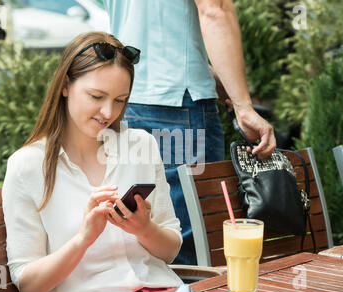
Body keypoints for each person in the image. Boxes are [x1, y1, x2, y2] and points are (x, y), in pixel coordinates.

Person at [2, 32, 184, 292]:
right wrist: (83, 239)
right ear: (65, 85)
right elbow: (29, 285)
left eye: (120, 100)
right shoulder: (27, 166)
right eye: (97, 96)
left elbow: (170, 250)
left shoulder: (141, 146)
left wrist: (143, 229)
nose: (109, 113)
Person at [104, 0, 277, 265]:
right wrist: (243, 106)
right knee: (191, 244)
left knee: (140, 234)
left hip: (129, 99)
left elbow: (144, 24)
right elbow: (215, 9)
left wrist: (204, 72)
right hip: (177, 108)